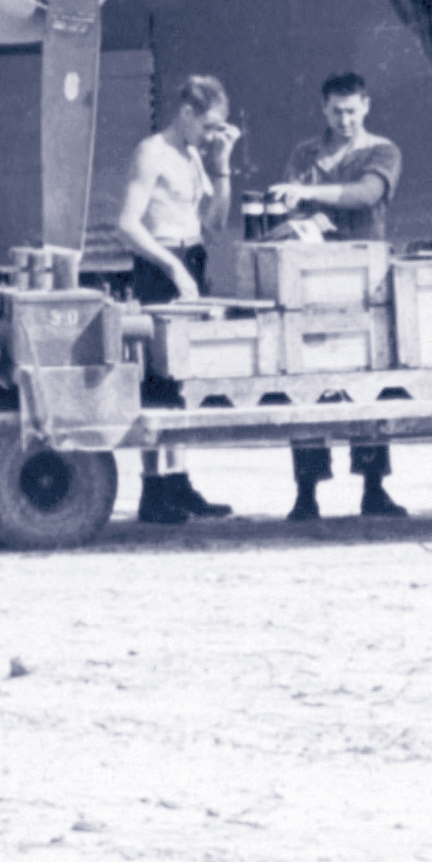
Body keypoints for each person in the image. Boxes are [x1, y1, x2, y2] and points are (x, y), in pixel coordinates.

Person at [254, 70, 409, 522]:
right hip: (312, 281)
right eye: (337, 111)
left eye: (352, 110)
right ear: (324, 109)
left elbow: (367, 194)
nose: (344, 119)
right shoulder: (305, 154)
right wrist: (300, 213)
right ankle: (306, 494)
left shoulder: (382, 150)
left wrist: (307, 194)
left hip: (364, 283)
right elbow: (288, 204)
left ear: (367, 106)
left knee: (369, 385)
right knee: (306, 390)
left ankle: (373, 489)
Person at [113, 75, 238, 526]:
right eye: (207, 127)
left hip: (191, 257)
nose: (211, 136)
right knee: (157, 381)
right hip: (161, 264)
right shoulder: (153, 152)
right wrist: (171, 266)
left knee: (184, 380)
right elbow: (126, 224)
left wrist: (221, 164)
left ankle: (179, 482)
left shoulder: (192, 155)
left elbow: (214, 222)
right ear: (185, 113)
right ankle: (153, 489)